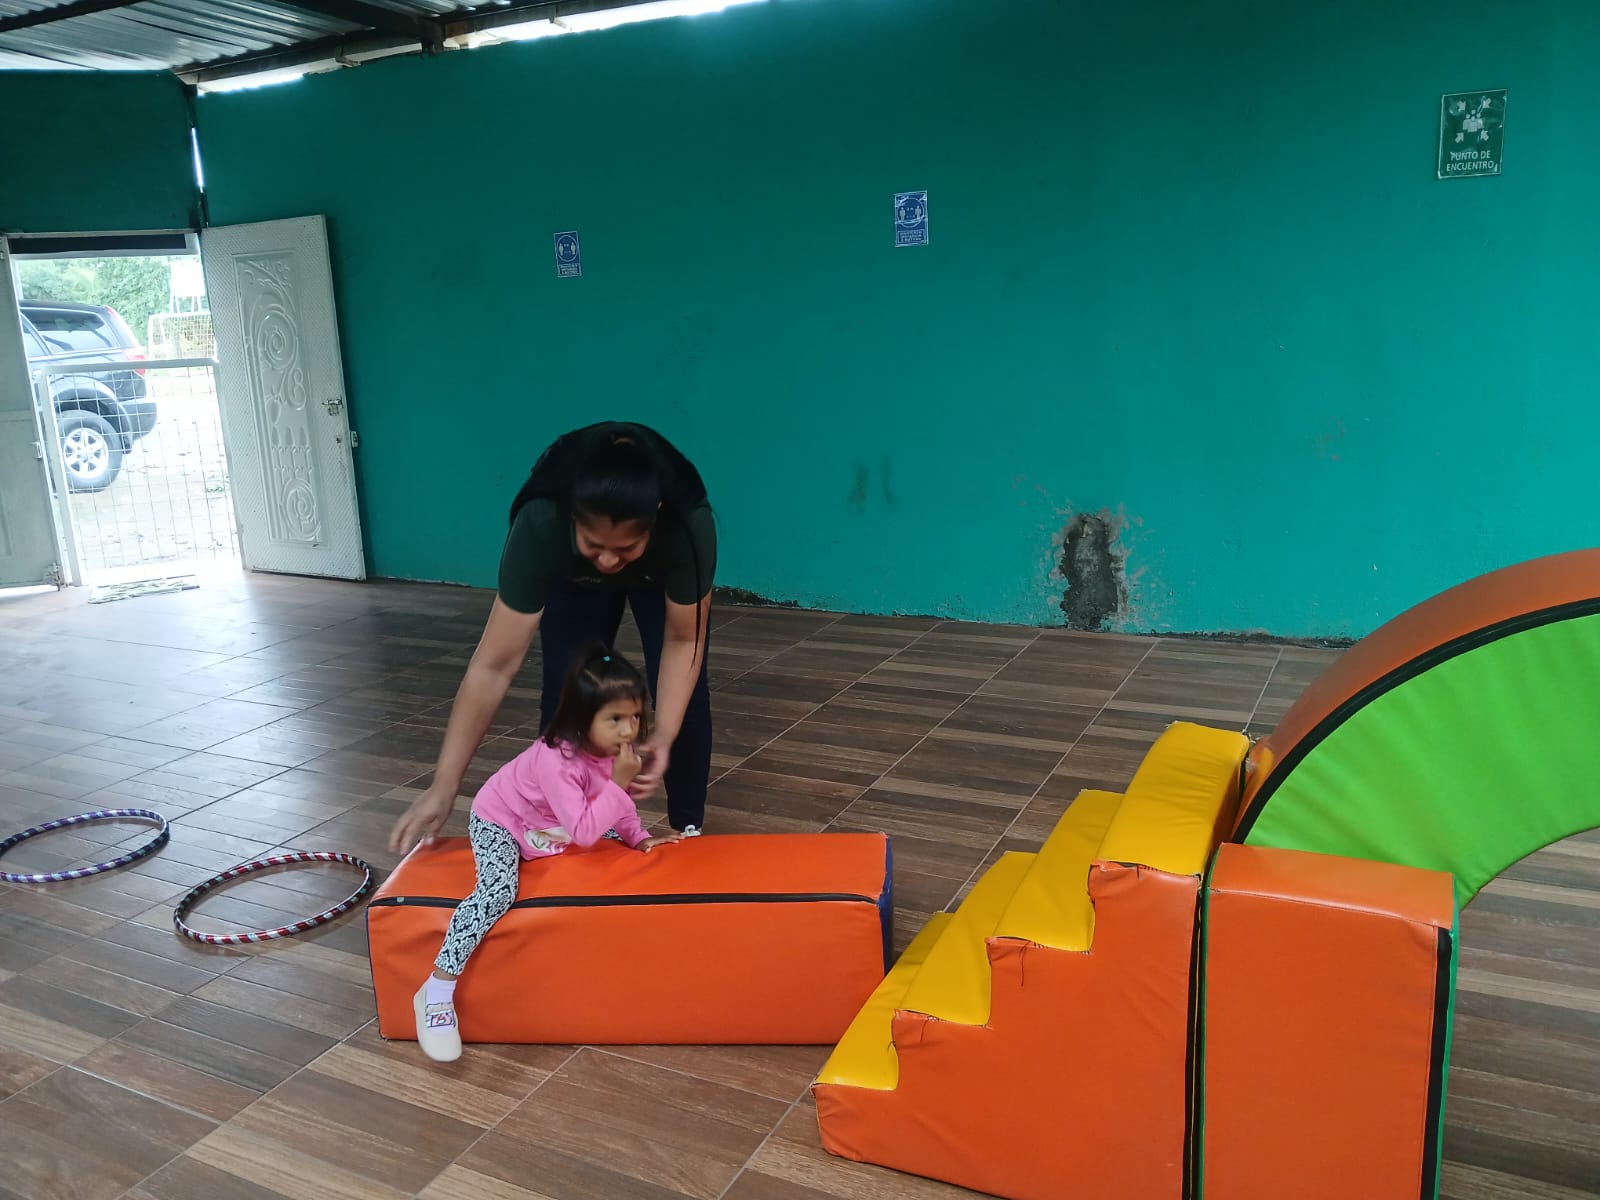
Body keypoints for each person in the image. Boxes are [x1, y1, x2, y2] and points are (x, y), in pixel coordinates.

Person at [388, 421, 716, 856]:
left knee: (684, 702)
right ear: (573, 515)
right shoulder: (542, 522)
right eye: (595, 544)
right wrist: (444, 785)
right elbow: (493, 666)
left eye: (625, 548)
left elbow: (682, 642)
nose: (608, 560)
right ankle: (564, 828)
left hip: (659, 572)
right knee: (568, 698)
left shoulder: (687, 524)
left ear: (655, 515)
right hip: (573, 576)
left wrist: (665, 733)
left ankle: (688, 836)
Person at [415, 645, 682, 1062]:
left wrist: (638, 837)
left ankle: (438, 987)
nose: (629, 730)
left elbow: (617, 806)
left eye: (634, 716)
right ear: (581, 717)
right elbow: (586, 831)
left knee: (614, 826)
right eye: (615, 719)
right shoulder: (557, 761)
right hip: (503, 821)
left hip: (553, 825)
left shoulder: (611, 753)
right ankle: (437, 988)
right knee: (498, 892)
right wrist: (617, 784)